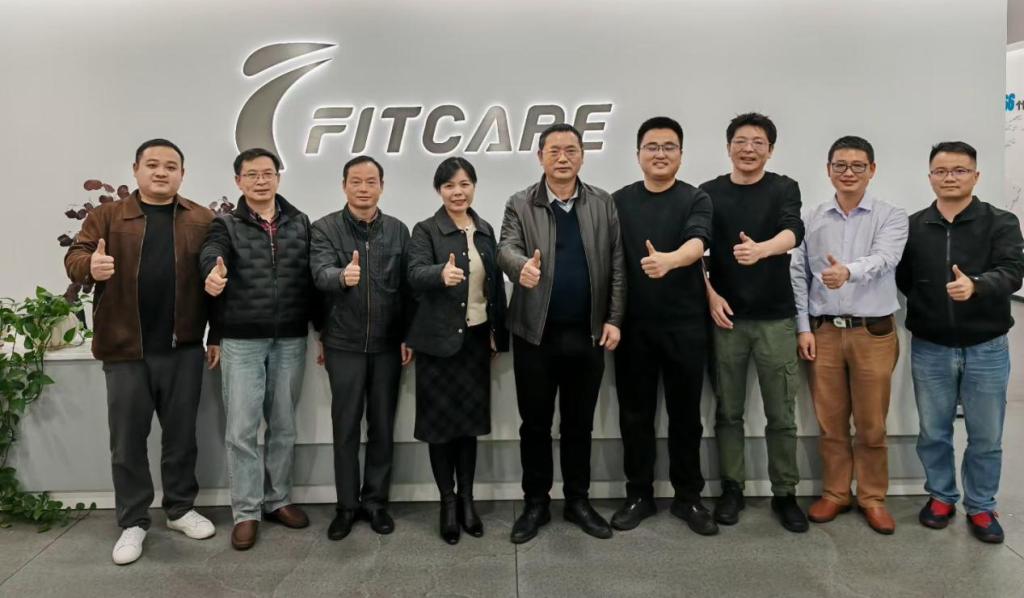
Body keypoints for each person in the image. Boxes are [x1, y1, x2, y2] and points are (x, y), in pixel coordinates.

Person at [64, 139, 216, 565]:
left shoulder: (201, 219)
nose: (161, 172)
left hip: (183, 348)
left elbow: (217, 274)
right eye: (152, 164)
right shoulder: (108, 216)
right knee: (128, 442)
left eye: (170, 166)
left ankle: (180, 509)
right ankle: (133, 520)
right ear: (136, 170)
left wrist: (217, 330)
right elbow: (76, 256)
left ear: (182, 174)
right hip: (125, 349)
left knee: (182, 438)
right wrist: (90, 267)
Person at [497, 123, 626, 543]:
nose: (563, 157)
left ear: (582, 156)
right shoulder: (520, 203)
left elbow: (618, 264)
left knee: (578, 425)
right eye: (554, 150)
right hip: (535, 335)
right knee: (534, 425)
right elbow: (505, 248)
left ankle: (577, 501)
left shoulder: (602, 203)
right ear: (540, 157)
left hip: (587, 334)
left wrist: (614, 318)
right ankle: (535, 503)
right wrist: (521, 267)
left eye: (571, 150)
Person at [896, 141, 1024, 544]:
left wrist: (977, 285)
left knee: (985, 435)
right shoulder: (914, 226)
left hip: (986, 346)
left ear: (975, 176)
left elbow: (1013, 271)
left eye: (959, 170)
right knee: (933, 431)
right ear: (930, 176)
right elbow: (904, 279)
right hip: (930, 347)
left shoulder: (1001, 222)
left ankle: (981, 505)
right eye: (941, 171)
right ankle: (941, 497)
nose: (949, 178)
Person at [200, 148, 320, 550]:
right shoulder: (225, 225)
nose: (261, 180)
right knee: (242, 430)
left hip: (290, 338)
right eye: (251, 174)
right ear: (238, 181)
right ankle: (246, 512)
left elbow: (312, 280)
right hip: (242, 341)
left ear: (278, 178)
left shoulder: (300, 223)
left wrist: (320, 330)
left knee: (283, 425)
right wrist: (212, 274)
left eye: (267, 173)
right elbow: (211, 255)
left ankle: (279, 500)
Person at [791, 136, 908, 534]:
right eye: (840, 165)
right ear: (828, 171)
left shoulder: (891, 216)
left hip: (872, 334)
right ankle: (836, 493)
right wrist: (803, 327)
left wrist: (848, 272)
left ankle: (872, 497)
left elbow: (885, 258)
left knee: (872, 424)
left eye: (858, 166)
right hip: (823, 333)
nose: (848, 172)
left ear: (872, 170)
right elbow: (798, 275)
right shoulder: (811, 218)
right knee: (830, 422)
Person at [700, 112, 808, 533]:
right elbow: (697, 250)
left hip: (775, 319)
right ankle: (732, 489)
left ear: (770, 150)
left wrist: (762, 250)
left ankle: (785, 493)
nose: (748, 149)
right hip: (726, 319)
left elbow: (793, 232)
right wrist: (710, 294)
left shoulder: (784, 187)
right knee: (728, 412)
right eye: (741, 141)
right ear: (728, 147)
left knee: (781, 413)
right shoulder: (708, 193)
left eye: (758, 142)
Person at [610, 116, 717, 535]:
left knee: (686, 417)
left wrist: (669, 260)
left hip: (685, 326)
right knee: (634, 416)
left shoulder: (696, 198)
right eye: (652, 146)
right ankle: (638, 495)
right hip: (633, 328)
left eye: (669, 146)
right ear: (638, 154)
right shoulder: (618, 201)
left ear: (681, 155)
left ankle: (688, 497)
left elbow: (698, 242)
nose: (660, 154)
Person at [405, 157, 509, 544]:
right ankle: (447, 502)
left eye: (464, 184)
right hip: (438, 345)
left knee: (468, 427)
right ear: (439, 191)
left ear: (474, 187)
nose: (458, 192)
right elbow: (413, 273)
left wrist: (497, 331)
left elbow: (493, 286)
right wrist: (440, 274)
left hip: (475, 342)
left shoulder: (485, 230)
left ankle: (467, 499)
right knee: (440, 429)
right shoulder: (426, 230)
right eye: (449, 185)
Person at [310, 155, 414, 540]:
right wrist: (342, 276)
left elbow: (407, 290)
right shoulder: (324, 229)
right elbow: (319, 274)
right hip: (343, 344)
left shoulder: (399, 231)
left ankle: (375, 503)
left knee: (383, 426)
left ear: (382, 186)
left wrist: (407, 336)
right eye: (356, 181)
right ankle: (346, 506)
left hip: (388, 345)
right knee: (346, 428)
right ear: (344, 186)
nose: (364, 188)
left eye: (371, 181)